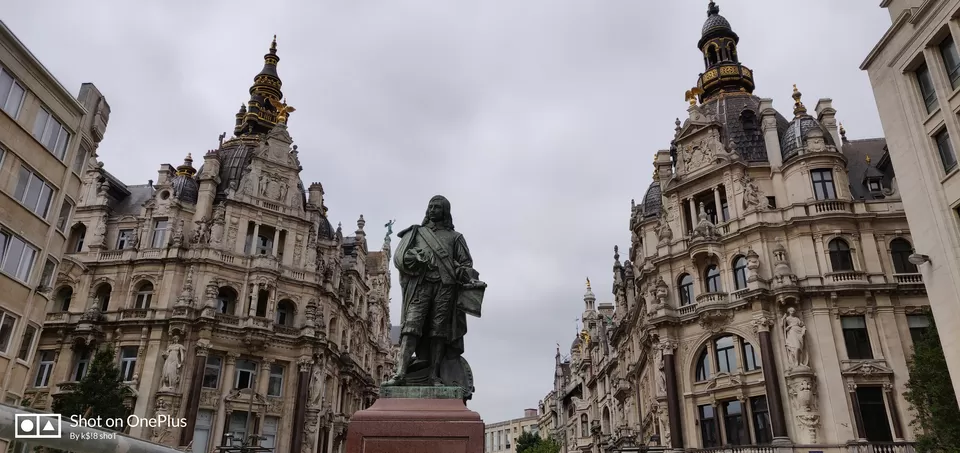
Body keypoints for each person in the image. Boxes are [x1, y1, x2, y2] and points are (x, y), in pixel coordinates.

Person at [384, 195, 482, 387]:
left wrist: (461, 271)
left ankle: (434, 376)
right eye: (430, 206)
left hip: (445, 288)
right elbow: (400, 258)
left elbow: (466, 264)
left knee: (439, 333)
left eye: (437, 207)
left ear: (445, 211)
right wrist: (415, 257)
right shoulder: (416, 233)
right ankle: (400, 374)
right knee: (410, 328)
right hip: (420, 286)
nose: (432, 210)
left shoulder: (455, 238)